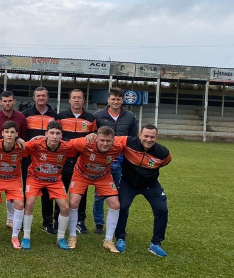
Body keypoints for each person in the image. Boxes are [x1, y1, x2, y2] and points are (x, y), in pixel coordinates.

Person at [113, 124, 172, 257]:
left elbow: (165, 162)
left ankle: (156, 244)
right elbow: (110, 139)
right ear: (140, 135)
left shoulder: (163, 153)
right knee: (122, 207)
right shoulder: (128, 142)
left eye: (152, 137)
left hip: (150, 185)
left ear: (157, 138)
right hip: (128, 183)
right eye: (146, 136)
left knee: (162, 209)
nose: (148, 139)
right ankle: (120, 238)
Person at [67, 126, 128, 253]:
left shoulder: (118, 145)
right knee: (73, 202)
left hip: (103, 177)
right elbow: (66, 143)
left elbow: (135, 141)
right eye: (102, 140)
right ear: (96, 139)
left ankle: (108, 240)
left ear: (113, 140)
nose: (105, 144)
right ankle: (72, 236)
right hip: (81, 175)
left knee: (115, 205)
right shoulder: (85, 142)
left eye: (108, 141)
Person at [22, 121, 77, 251]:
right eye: (51, 133)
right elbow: (21, 147)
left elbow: (80, 145)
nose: (54, 136)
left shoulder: (66, 147)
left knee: (65, 207)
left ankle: (61, 238)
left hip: (55, 180)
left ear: (61, 135)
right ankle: (26, 237)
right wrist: (27, 139)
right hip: (34, 178)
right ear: (46, 134)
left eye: (57, 134)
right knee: (29, 204)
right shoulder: (36, 144)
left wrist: (90, 137)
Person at [92, 87, 138, 233]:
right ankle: (99, 223)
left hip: (121, 160)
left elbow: (133, 139)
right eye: (113, 99)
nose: (115, 102)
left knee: (118, 192)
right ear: (108, 100)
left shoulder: (130, 117)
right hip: (102, 160)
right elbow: (93, 136)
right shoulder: (99, 115)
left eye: (118, 99)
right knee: (99, 193)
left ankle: (116, 221)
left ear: (122, 100)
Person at [55, 88, 96, 235]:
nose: (77, 100)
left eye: (79, 97)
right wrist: (74, 143)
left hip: (82, 160)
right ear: (70, 100)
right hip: (64, 159)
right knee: (60, 190)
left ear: (83, 100)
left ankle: (80, 221)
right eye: (74, 97)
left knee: (81, 191)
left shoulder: (91, 118)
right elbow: (57, 136)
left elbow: (93, 137)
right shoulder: (61, 116)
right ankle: (57, 220)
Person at [0, 90, 28, 228]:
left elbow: (22, 137)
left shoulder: (21, 118)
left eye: (10, 101)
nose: (7, 103)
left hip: (14, 159)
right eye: (5, 101)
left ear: (14, 101)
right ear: (0, 102)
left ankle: (11, 219)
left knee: (13, 191)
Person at [22, 86, 58, 235]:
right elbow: (22, 135)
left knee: (47, 191)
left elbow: (57, 135)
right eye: (38, 96)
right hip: (29, 158)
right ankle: (24, 222)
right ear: (34, 98)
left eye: (43, 96)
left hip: (48, 159)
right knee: (27, 190)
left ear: (47, 97)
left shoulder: (54, 115)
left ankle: (47, 222)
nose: (41, 98)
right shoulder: (26, 114)